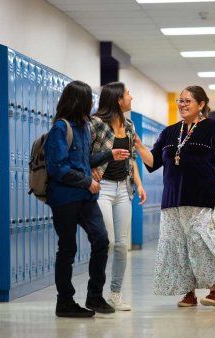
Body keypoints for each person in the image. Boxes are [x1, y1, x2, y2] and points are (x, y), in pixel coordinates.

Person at [133, 85, 215, 307]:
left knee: (205, 242)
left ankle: (214, 291)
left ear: (201, 105)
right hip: (173, 200)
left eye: (187, 101)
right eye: (180, 101)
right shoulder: (169, 132)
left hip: (203, 198)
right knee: (178, 246)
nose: (182, 105)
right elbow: (153, 161)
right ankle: (188, 293)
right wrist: (139, 145)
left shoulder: (214, 130)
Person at [44, 80, 130, 317]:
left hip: (86, 197)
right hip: (65, 199)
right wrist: (86, 181)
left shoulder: (83, 127)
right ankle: (65, 302)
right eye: (89, 99)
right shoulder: (60, 129)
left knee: (102, 241)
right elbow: (57, 168)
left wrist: (107, 155)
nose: (93, 103)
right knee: (68, 248)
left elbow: (84, 163)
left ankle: (94, 297)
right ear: (78, 101)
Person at [89, 82, 147, 311]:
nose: (131, 97)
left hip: (124, 188)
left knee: (123, 246)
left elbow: (132, 158)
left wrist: (139, 185)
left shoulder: (129, 126)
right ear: (117, 100)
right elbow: (85, 154)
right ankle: (95, 294)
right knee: (108, 242)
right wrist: (89, 177)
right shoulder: (96, 124)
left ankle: (114, 294)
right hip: (102, 187)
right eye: (128, 94)